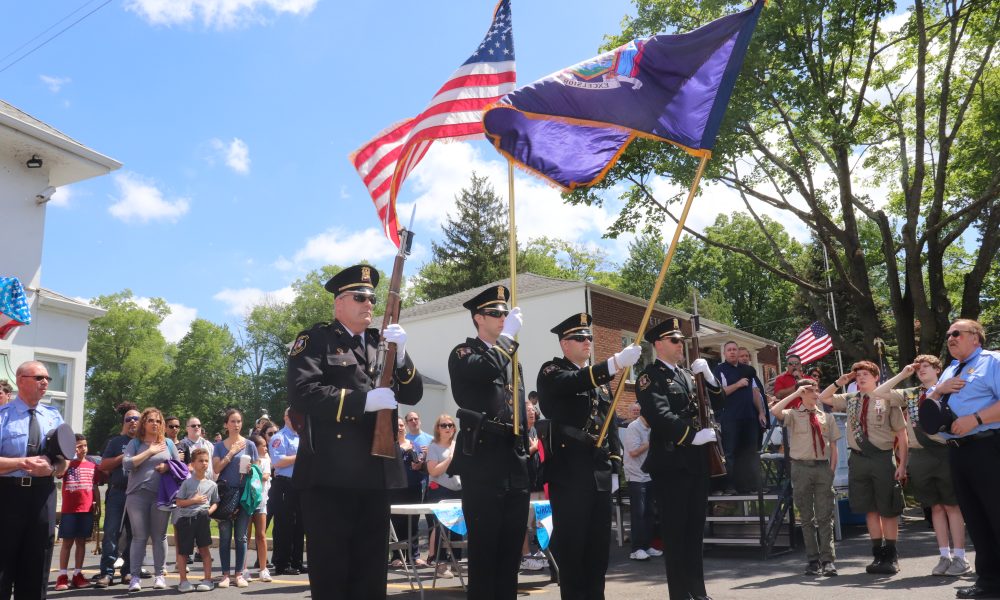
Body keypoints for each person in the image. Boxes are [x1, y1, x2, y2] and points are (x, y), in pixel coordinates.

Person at [287, 264, 423, 599]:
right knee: (332, 573)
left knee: (371, 573)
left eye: (372, 298)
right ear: (339, 304)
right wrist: (362, 402)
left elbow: (414, 393)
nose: (368, 304)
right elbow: (302, 392)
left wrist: (402, 356)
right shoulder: (315, 340)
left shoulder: (382, 343)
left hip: (375, 474)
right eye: (359, 297)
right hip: (329, 476)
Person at [536, 312, 641, 599]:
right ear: (564, 344)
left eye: (589, 337)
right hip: (569, 472)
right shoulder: (551, 371)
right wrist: (615, 362)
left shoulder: (600, 382)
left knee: (597, 552)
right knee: (572, 550)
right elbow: (573, 382)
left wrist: (615, 464)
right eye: (579, 338)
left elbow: (611, 425)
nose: (587, 342)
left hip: (598, 473)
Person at [447, 284, 527, 600]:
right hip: (483, 459)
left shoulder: (511, 358)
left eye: (505, 314)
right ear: (478, 318)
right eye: (496, 314)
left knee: (510, 554)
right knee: (485, 552)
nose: (503, 319)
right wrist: (507, 339)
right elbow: (483, 371)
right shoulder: (464, 353)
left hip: (513, 458)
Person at [635, 319, 724, 600]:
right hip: (672, 464)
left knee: (695, 531)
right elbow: (660, 415)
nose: (680, 345)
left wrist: (710, 378)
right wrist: (690, 436)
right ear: (658, 344)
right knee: (675, 534)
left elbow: (718, 403)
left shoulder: (688, 374)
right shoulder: (649, 377)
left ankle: (698, 591)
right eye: (675, 340)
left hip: (697, 462)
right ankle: (680, 595)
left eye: (681, 340)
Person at [873, 355, 971, 577]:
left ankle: (960, 556)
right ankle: (944, 555)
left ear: (938, 369)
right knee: (935, 507)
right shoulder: (910, 394)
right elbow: (878, 393)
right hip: (920, 456)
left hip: (944, 453)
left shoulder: (947, 388)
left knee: (952, 506)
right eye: (919, 368)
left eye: (926, 366)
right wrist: (903, 374)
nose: (921, 370)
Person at [923, 319, 999, 600]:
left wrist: (976, 418)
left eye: (957, 333)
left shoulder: (993, 362)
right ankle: (989, 583)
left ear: (976, 338)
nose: (951, 338)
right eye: (948, 335)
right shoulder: (950, 370)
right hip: (957, 451)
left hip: (989, 447)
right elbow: (930, 405)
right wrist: (939, 390)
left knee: (996, 514)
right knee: (976, 519)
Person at [819, 361, 907, 575]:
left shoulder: (887, 399)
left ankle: (891, 555)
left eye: (866, 374)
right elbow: (824, 398)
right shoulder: (850, 400)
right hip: (858, 459)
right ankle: (877, 554)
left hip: (882, 458)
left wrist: (902, 464)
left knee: (888, 508)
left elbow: (902, 435)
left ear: (877, 377)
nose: (860, 377)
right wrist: (840, 381)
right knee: (870, 509)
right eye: (857, 375)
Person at [0, 361, 67, 600]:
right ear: (20, 380)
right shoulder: (3, 416)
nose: (45, 382)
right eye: (39, 377)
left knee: (38, 562)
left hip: (42, 495)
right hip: (7, 495)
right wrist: (22, 463)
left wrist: (51, 468)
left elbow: (63, 461)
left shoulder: (53, 416)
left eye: (47, 378)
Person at [770, 378, 841, 577]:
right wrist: (795, 393)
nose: (814, 393)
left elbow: (834, 446)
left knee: (825, 515)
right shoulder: (793, 414)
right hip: (801, 468)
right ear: (801, 393)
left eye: (815, 389)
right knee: (807, 517)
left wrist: (832, 469)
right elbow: (775, 412)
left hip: (822, 468)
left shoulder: (827, 417)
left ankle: (828, 560)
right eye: (808, 390)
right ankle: (813, 560)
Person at [123, 407, 180, 593]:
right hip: (137, 496)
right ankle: (135, 577)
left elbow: (179, 468)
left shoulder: (169, 443)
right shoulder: (135, 443)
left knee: (159, 536)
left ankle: (159, 575)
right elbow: (127, 464)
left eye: (158, 421)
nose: (155, 424)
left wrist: (167, 467)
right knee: (139, 536)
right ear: (144, 424)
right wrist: (150, 451)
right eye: (151, 421)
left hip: (161, 496)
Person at [212, 408, 259, 589]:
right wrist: (231, 452)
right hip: (225, 495)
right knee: (224, 537)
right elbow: (216, 469)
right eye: (232, 421)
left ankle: (239, 573)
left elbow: (256, 469)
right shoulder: (218, 446)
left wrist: (250, 470)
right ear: (226, 425)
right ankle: (225, 574)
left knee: (241, 537)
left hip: (244, 494)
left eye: (239, 421)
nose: (236, 425)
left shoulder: (250, 445)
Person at [95, 403, 140, 587]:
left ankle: (128, 571)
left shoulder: (145, 443)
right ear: (123, 423)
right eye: (128, 419)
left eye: (136, 419)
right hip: (117, 494)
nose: (133, 422)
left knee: (134, 534)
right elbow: (103, 466)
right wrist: (124, 456)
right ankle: (107, 573)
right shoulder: (115, 442)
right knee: (111, 533)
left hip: (138, 495)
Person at [717, 340, 767, 494]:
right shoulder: (719, 370)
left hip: (749, 418)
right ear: (724, 353)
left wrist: (760, 412)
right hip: (730, 418)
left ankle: (753, 486)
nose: (732, 352)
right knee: (730, 453)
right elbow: (720, 393)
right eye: (729, 350)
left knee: (751, 452)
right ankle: (730, 486)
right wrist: (737, 385)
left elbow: (754, 392)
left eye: (734, 349)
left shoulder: (748, 370)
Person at [173, 447, 218, 592]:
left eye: (206, 461)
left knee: (204, 549)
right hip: (186, 520)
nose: (204, 463)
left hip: (202, 519)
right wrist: (194, 500)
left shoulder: (212, 485)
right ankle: (183, 581)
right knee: (184, 552)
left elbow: (216, 502)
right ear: (192, 463)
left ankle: (208, 579)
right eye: (200, 461)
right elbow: (179, 502)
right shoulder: (187, 483)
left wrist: (208, 511)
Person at [54, 434, 96, 591]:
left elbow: (95, 486)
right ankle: (62, 575)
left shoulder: (92, 466)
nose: (82, 449)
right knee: (67, 543)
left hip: (86, 510)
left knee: (81, 542)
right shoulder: (67, 464)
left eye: (84, 445)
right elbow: (58, 474)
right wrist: (69, 457)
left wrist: (97, 505)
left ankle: (78, 574)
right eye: (78, 446)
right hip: (69, 510)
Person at [425, 413, 463, 579]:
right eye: (443, 425)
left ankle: (456, 561)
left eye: (450, 425)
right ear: (438, 429)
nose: (448, 428)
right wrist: (451, 458)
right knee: (440, 526)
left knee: (457, 527)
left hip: (457, 490)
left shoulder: (458, 445)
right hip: (439, 490)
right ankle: (440, 563)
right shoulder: (433, 446)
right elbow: (433, 471)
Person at [268, 409, 304, 575]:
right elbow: (278, 461)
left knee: (299, 525)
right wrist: (301, 456)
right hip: (284, 484)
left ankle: (296, 561)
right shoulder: (279, 437)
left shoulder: (301, 436)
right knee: (285, 524)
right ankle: (282, 563)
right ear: (286, 418)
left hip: (300, 484)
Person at [623, 402, 659, 562]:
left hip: (649, 475)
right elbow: (633, 451)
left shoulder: (651, 428)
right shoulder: (633, 427)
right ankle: (636, 548)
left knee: (650, 512)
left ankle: (647, 545)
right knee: (639, 513)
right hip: (636, 475)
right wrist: (651, 443)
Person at [402, 411, 432, 566]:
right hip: (402, 484)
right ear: (407, 423)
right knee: (400, 519)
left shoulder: (429, 439)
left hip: (421, 483)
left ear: (419, 421)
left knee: (415, 520)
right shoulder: (404, 439)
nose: (414, 421)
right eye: (410, 420)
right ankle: (399, 555)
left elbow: (434, 463)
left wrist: (426, 456)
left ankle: (416, 555)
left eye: (416, 419)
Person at [520, 402, 547, 571]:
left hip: (540, 483)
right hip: (526, 484)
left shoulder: (537, 429)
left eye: (533, 410)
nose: (531, 413)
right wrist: (534, 448)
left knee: (542, 522)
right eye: (528, 411)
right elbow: (519, 455)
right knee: (524, 522)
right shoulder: (521, 431)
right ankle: (525, 555)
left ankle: (541, 552)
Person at [245, 433, 272, 582]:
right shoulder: (246, 460)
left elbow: (265, 476)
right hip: (248, 501)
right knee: (245, 536)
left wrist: (253, 471)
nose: (266, 448)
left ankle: (263, 568)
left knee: (261, 535)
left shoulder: (266, 460)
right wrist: (253, 470)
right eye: (263, 445)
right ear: (255, 447)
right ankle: (243, 568)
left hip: (261, 501)